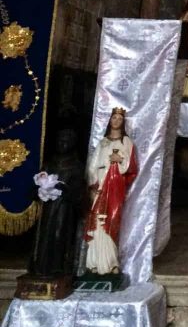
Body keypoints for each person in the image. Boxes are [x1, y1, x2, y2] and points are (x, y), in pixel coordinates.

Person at [84, 107, 137, 276]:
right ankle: (94, 263)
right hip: (99, 184)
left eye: (119, 119)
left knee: (111, 220)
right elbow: (92, 165)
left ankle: (111, 263)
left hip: (114, 186)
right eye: (113, 118)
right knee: (97, 220)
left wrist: (119, 159)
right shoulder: (103, 142)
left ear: (123, 123)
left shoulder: (126, 142)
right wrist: (93, 185)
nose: (116, 121)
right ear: (109, 120)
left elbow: (131, 165)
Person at [28, 123, 84, 279]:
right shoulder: (49, 164)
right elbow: (36, 184)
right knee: (44, 237)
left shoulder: (76, 166)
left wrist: (66, 190)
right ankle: (40, 268)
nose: (62, 143)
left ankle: (59, 269)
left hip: (63, 210)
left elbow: (78, 193)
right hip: (47, 208)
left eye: (66, 140)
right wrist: (37, 189)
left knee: (60, 236)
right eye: (60, 140)